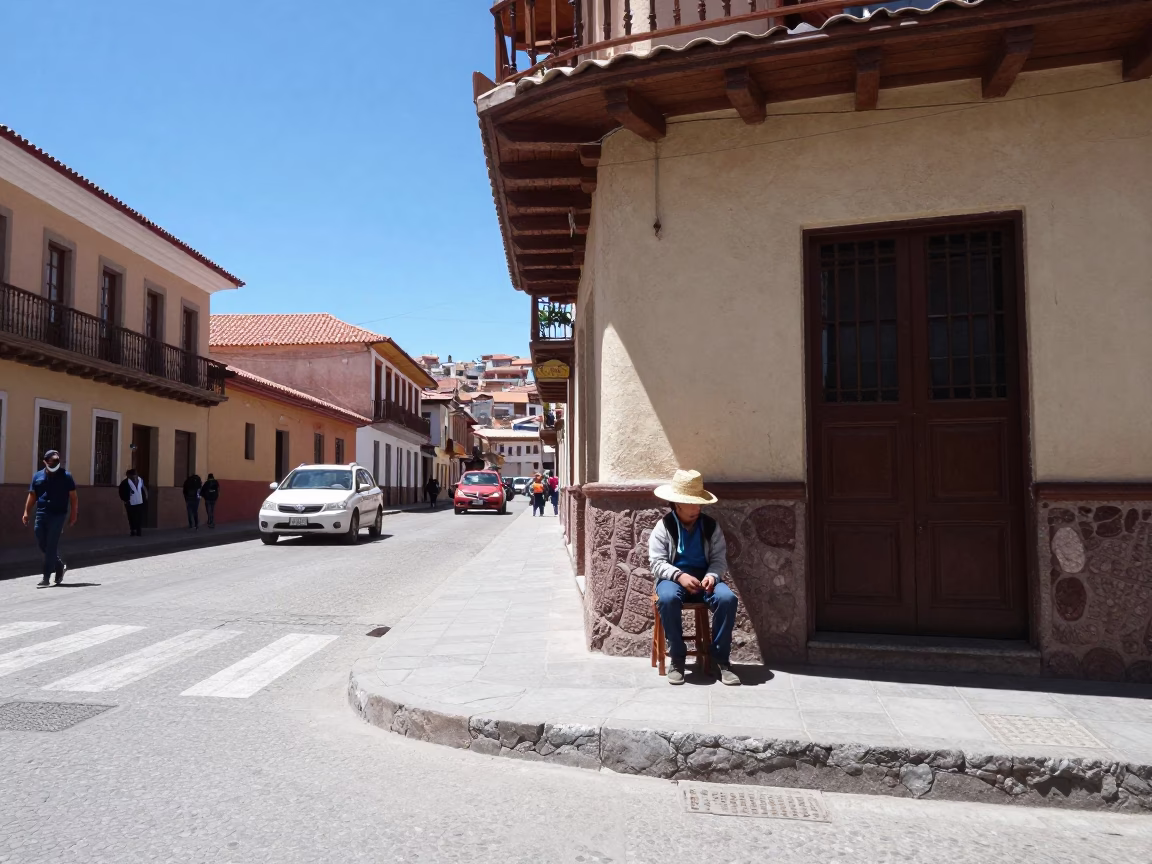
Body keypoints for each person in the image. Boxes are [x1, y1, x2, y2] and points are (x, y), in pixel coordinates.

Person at [647, 469, 740, 687]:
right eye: (692, 503)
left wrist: (712, 576)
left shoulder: (710, 527)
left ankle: (720, 660)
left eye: (699, 503)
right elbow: (657, 563)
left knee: (728, 599)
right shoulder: (664, 527)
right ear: (677, 504)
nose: (697, 508)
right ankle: (678, 658)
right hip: (673, 580)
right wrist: (679, 576)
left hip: (704, 581)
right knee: (668, 599)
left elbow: (718, 560)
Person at [22, 450, 77, 588]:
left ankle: (46, 577)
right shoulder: (37, 476)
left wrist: (73, 514)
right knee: (41, 542)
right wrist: (26, 512)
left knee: (51, 545)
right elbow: (32, 495)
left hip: (58, 515)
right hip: (41, 513)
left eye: (57, 462)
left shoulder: (66, 476)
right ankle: (59, 565)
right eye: (51, 462)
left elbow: (74, 498)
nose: (54, 464)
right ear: (45, 462)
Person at [118, 468, 148, 536]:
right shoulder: (125, 482)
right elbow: (121, 492)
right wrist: (125, 499)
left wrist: (146, 496)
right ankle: (133, 530)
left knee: (139, 516)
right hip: (130, 502)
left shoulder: (140, 480)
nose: (134, 477)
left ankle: (138, 530)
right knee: (131, 517)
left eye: (135, 475)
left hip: (139, 501)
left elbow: (143, 487)